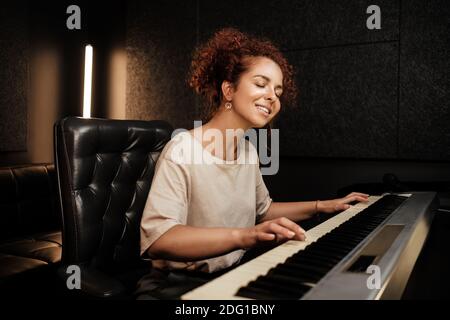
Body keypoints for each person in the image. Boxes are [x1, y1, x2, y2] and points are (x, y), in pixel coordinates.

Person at [135, 28, 369, 299]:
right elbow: (160, 240)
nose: (273, 96)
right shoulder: (182, 148)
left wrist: (321, 206)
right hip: (177, 287)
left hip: (231, 276)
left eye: (278, 90)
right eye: (261, 84)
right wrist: (247, 236)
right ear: (228, 90)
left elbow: (263, 210)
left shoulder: (247, 151)